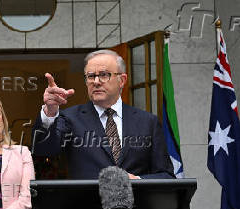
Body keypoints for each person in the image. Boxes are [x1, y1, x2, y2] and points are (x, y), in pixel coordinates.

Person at [32, 49, 174, 179]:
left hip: (136, 204)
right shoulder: (69, 118)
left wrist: (138, 181)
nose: (96, 82)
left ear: (122, 80)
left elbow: (166, 175)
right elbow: (44, 150)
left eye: (104, 75)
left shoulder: (148, 122)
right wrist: (50, 112)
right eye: (91, 76)